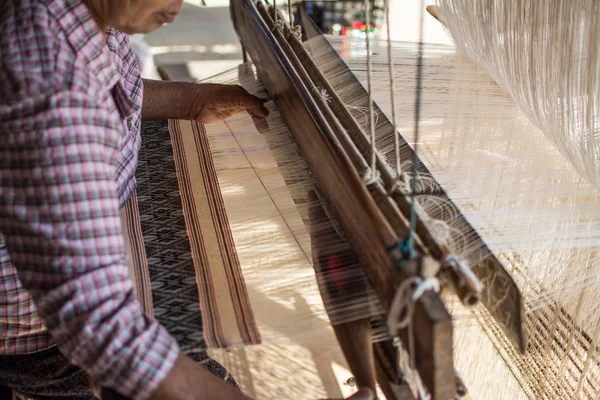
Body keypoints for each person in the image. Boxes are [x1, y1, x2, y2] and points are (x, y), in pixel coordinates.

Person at [0, 1, 376, 399]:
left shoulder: (72, 18)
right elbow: (98, 323)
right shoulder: (53, 80)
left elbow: (106, 92)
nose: (180, 5)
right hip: (39, 333)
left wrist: (190, 100)